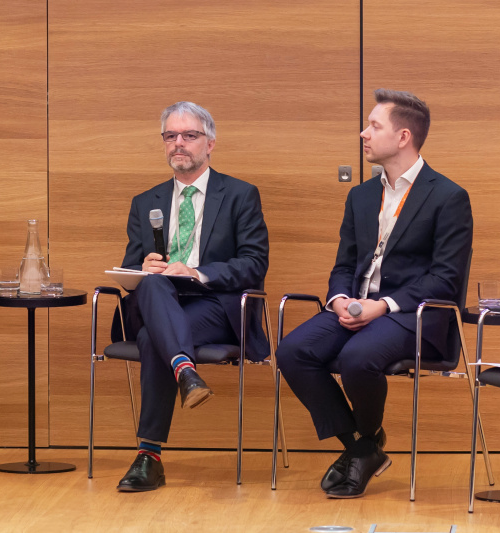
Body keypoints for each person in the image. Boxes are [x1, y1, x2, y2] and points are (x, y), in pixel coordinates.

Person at [276, 89, 473, 498]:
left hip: (412, 314)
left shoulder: (448, 197)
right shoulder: (361, 195)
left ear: (403, 137)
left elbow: (446, 277)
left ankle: (362, 448)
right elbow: (344, 264)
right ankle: (363, 446)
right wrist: (340, 300)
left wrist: (380, 305)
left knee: (357, 357)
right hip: (356, 306)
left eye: (374, 126)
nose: (363, 133)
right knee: (293, 351)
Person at [114, 101, 269, 492]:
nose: (178, 144)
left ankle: (149, 456)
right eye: (170, 136)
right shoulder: (145, 201)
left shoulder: (239, 195)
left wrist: (196, 271)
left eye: (189, 136)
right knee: (151, 285)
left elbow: (254, 263)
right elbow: (130, 266)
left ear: (210, 143)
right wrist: (144, 265)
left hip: (212, 304)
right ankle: (185, 371)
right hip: (158, 299)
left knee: (154, 338)